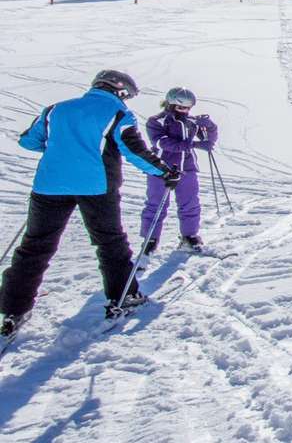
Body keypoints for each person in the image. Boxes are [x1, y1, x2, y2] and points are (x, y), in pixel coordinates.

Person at [0, 70, 179, 335]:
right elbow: (133, 150)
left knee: (35, 245)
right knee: (110, 242)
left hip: (50, 185)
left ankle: (14, 307)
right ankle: (123, 297)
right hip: (96, 187)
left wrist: (64, 148)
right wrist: (164, 171)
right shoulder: (119, 113)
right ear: (120, 92)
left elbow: (29, 141)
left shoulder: (55, 110)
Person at [139, 87, 219, 257]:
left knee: (190, 203)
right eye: (181, 107)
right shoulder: (157, 121)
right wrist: (194, 145)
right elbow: (163, 143)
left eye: (188, 108)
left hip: (187, 167)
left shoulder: (191, 122)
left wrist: (210, 127)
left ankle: (189, 236)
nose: (185, 111)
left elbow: (210, 141)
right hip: (161, 168)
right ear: (170, 104)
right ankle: (150, 239)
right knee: (156, 204)